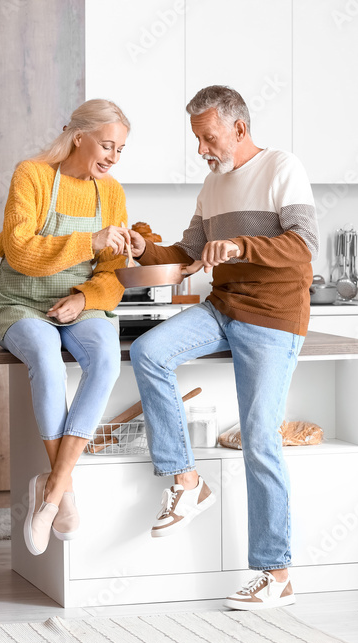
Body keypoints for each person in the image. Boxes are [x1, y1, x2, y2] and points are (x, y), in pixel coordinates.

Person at [124, 85, 318, 610]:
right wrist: (148, 249)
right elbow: (187, 253)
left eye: (209, 137)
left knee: (260, 438)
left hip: (273, 316)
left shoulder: (282, 167)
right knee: (149, 352)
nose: (203, 148)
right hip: (223, 308)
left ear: (238, 127)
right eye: (198, 139)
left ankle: (275, 574)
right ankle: (188, 482)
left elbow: (304, 247)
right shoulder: (212, 186)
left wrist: (240, 245)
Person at [0, 99, 132, 556]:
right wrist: (87, 241)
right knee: (46, 359)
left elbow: (113, 274)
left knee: (107, 360)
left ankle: (48, 493)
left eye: (120, 149)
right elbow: (18, 249)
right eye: (107, 145)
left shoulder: (110, 192)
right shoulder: (31, 175)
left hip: (79, 304)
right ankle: (64, 490)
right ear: (79, 137)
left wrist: (84, 298)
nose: (112, 157)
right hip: (22, 304)